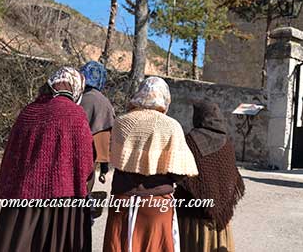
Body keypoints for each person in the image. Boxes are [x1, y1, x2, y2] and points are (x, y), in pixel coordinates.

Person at [0, 67, 94, 252]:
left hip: (22, 204)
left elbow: (10, 158)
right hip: (61, 204)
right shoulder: (75, 115)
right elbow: (85, 164)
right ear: (76, 88)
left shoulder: (28, 112)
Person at [104, 76, 199, 252]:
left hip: (122, 201)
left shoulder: (121, 123)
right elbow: (181, 171)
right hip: (156, 205)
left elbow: (117, 160)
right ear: (165, 98)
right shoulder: (171, 126)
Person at [176, 100, 245, 252]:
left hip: (193, 219)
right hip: (221, 220)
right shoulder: (227, 143)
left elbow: (179, 173)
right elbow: (232, 179)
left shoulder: (189, 141)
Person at [79, 61, 116, 188]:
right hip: (89, 155)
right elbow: (104, 139)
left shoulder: (74, 97)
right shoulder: (104, 103)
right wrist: (104, 169)